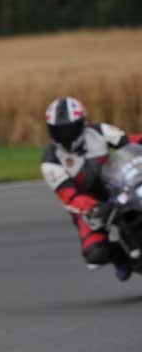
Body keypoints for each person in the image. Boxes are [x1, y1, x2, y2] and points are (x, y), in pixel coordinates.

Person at [40, 97, 132, 281]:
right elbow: (69, 196)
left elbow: (130, 142)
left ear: (82, 123)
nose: (65, 135)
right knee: (95, 254)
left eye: (70, 129)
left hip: (118, 186)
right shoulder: (50, 160)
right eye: (59, 131)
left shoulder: (99, 132)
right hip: (87, 204)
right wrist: (93, 208)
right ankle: (120, 258)